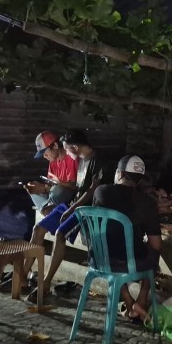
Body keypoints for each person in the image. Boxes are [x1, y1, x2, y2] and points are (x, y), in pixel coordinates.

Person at [25, 129, 113, 302]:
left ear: (74, 147)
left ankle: (46, 283)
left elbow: (91, 190)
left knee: (60, 233)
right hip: (72, 204)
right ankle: (22, 275)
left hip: (85, 208)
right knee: (38, 228)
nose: (65, 152)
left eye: (66, 148)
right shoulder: (80, 159)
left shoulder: (98, 159)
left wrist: (72, 209)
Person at [82, 155, 161, 320]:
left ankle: (128, 300)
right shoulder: (148, 202)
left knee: (112, 243)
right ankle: (141, 300)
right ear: (139, 180)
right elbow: (156, 244)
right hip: (130, 263)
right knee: (153, 253)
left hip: (99, 260)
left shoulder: (101, 191)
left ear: (119, 173)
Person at [24, 131, 78, 214]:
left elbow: (74, 187)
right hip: (53, 194)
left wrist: (56, 184)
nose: (44, 156)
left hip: (68, 195)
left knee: (57, 191)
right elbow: (50, 183)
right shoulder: (53, 161)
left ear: (55, 145)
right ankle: (46, 210)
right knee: (33, 190)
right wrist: (41, 186)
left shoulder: (71, 157)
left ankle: (50, 210)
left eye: (45, 152)